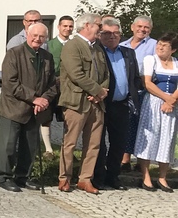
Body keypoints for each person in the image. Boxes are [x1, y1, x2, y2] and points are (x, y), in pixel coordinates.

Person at [0, 22, 57, 192]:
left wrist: (44, 99)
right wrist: (34, 98)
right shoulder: (14, 54)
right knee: (8, 145)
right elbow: (10, 82)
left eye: (42, 36)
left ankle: (23, 177)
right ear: (27, 35)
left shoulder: (47, 57)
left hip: (35, 109)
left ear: (46, 38)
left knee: (30, 146)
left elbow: (53, 83)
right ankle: (4, 177)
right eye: (34, 35)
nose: (37, 39)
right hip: (13, 107)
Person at [57, 13, 108, 194]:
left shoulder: (98, 48)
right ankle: (64, 177)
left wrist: (100, 93)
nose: (101, 29)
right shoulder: (72, 45)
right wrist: (97, 90)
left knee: (93, 144)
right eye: (99, 25)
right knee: (70, 142)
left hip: (96, 104)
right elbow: (76, 74)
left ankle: (85, 179)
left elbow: (106, 74)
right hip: (76, 102)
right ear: (87, 25)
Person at [93, 18, 141, 190]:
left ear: (120, 35)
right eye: (107, 33)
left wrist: (131, 95)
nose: (112, 37)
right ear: (100, 35)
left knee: (119, 143)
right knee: (99, 143)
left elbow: (134, 77)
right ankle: (98, 177)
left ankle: (113, 177)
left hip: (121, 105)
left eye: (116, 33)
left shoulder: (128, 53)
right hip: (102, 104)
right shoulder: (96, 52)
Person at [133, 32, 178, 192]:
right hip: (153, 102)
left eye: (164, 46)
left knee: (168, 137)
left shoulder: (176, 63)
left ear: (172, 49)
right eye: (159, 44)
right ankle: (145, 176)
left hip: (172, 104)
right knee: (150, 137)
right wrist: (167, 98)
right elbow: (148, 83)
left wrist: (172, 100)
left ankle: (162, 177)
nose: (160, 47)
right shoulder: (151, 59)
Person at [121, 15, 157, 168]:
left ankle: (142, 161)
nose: (142, 30)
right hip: (126, 90)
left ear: (150, 30)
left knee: (144, 125)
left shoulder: (154, 45)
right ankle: (125, 159)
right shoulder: (122, 44)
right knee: (127, 124)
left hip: (144, 90)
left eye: (146, 27)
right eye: (140, 26)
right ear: (132, 27)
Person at [42, 15, 75, 157]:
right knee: (47, 117)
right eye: (65, 26)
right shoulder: (49, 45)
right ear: (59, 27)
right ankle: (48, 149)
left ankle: (66, 150)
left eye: (70, 26)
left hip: (69, 87)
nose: (67, 29)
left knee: (67, 118)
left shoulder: (75, 45)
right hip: (51, 85)